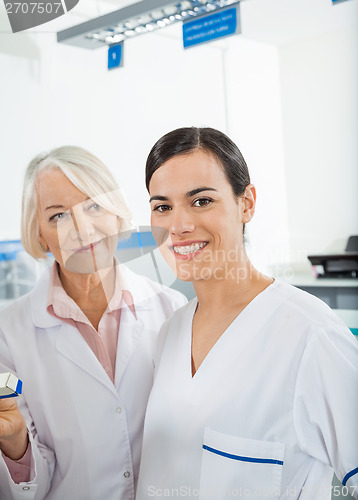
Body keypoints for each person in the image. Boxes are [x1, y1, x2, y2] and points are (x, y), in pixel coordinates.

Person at [136, 127, 358, 499]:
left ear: (247, 203)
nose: (179, 226)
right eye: (163, 207)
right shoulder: (170, 332)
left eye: (202, 201)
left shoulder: (311, 336)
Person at [0, 146, 187, 500]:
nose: (82, 229)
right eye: (58, 216)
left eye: (94, 206)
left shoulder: (171, 309)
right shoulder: (8, 335)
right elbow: (28, 489)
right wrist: (14, 443)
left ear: (116, 216)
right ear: (39, 234)